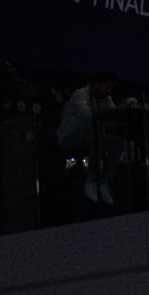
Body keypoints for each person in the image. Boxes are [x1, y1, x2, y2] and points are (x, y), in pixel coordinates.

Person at [56, 72, 126, 206]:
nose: (108, 91)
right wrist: (111, 112)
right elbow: (87, 116)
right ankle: (91, 180)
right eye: (106, 87)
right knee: (98, 138)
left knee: (118, 143)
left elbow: (113, 115)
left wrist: (122, 107)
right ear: (96, 84)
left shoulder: (105, 98)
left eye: (111, 88)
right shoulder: (80, 94)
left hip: (91, 136)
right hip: (70, 136)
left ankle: (105, 182)